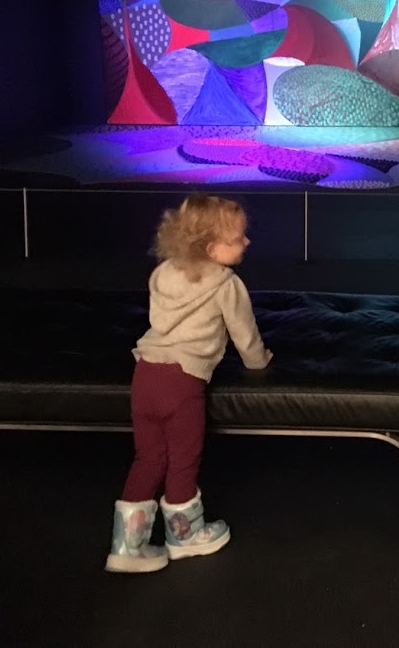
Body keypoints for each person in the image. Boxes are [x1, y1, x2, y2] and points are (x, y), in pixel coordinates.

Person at [105, 193, 273, 574]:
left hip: (145, 375)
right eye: (238, 239)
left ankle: (126, 547)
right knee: (183, 461)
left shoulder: (161, 273)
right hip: (182, 384)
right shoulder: (226, 284)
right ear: (212, 249)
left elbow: (160, 321)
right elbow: (244, 336)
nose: (247, 242)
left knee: (148, 458)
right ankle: (185, 536)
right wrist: (259, 363)